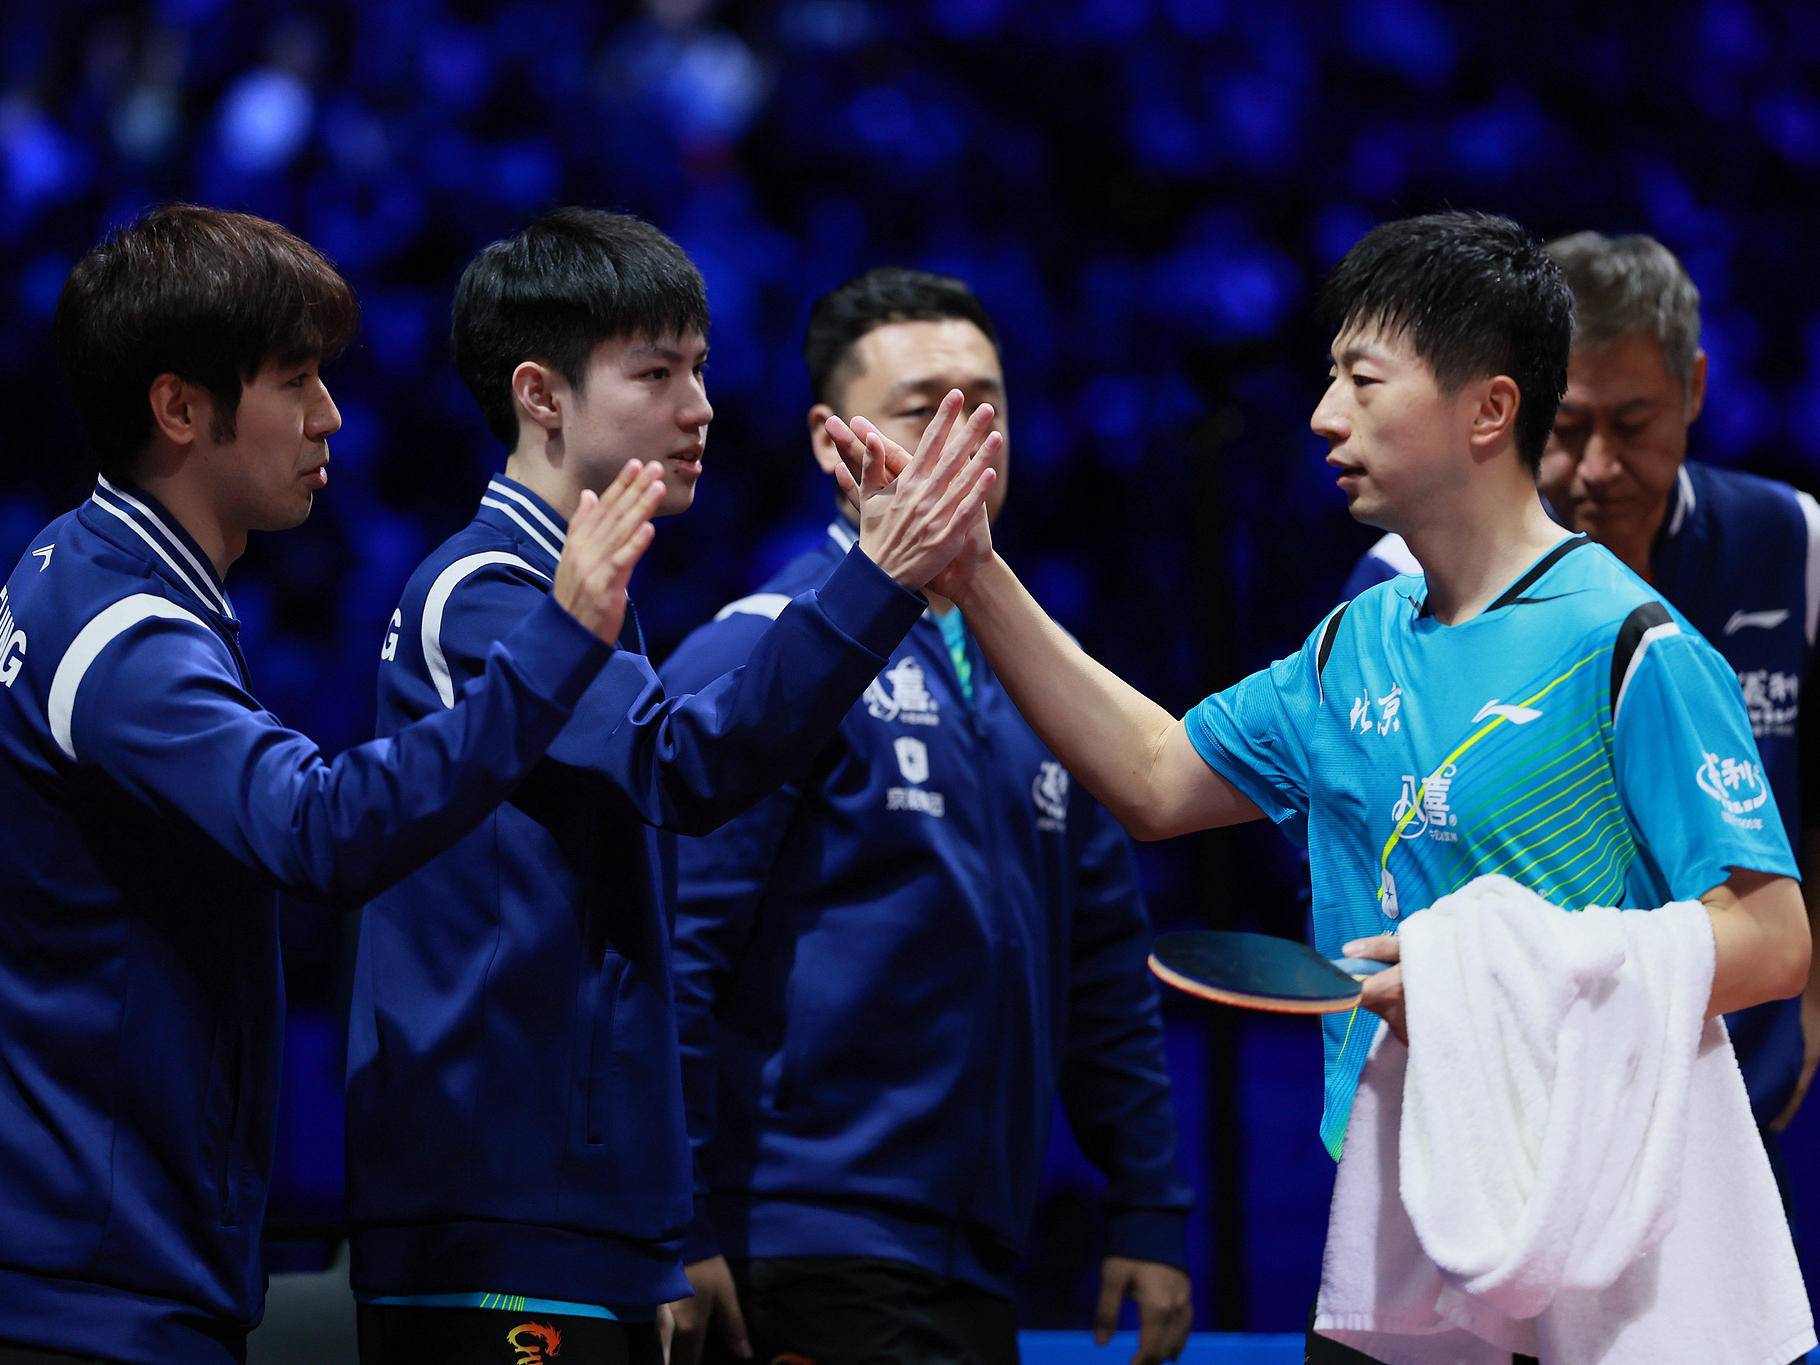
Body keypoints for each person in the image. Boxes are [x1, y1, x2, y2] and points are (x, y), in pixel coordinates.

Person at [826, 212, 1810, 1362]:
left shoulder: (1629, 645)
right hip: (1399, 1209)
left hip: (1583, 1224)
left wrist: (1498, 975)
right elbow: (1152, 777)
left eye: (1361, 380)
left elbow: (1770, 938)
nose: (1322, 415)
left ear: (1486, 410)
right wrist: (972, 569)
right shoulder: (1353, 644)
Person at [0, 204, 662, 1365]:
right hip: (88, 1293)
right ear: (180, 408)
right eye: (295, 379)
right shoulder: (121, 636)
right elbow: (318, 829)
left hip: (95, 1262)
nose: (329, 415)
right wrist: (556, 645)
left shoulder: (74, 563)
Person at [344, 212, 997, 1365]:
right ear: (541, 395)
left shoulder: (579, 593)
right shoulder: (482, 592)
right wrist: (878, 575)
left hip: (574, 1212)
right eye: (655, 374)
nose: (699, 407)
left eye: (698, 368)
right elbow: (684, 763)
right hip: (496, 1215)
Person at [659, 268, 1194, 1365]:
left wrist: (1146, 1204)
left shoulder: (1049, 679)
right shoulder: (760, 652)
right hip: (798, 1243)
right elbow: (675, 954)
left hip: (980, 1253)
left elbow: (1102, 962)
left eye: (985, 409)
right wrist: (678, 1217)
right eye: (921, 412)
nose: (964, 443)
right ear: (831, 442)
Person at [1339, 232, 1820, 1153]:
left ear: (1694, 389)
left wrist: (1812, 1010)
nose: (1598, 466)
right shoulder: (1400, 583)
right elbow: (1354, 851)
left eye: (1633, 424)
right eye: (1568, 429)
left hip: (1732, 1105)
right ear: (1514, 409)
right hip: (1494, 1111)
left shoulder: (1791, 541)